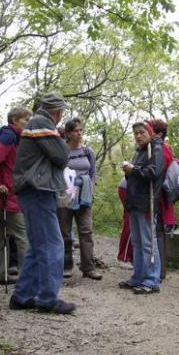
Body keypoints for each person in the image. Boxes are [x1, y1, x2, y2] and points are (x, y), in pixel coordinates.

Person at [9, 93, 74, 314]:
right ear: (57, 111)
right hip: (37, 190)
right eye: (61, 112)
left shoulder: (37, 123)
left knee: (38, 246)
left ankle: (23, 296)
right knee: (53, 244)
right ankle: (47, 298)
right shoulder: (42, 123)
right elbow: (63, 157)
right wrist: (62, 140)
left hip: (33, 190)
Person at [0, 106, 32, 287]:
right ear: (14, 120)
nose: (28, 123)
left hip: (5, 195)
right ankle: (27, 278)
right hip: (8, 195)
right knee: (23, 235)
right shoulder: (9, 136)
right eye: (25, 119)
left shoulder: (16, 138)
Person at [119, 121, 165, 294]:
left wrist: (133, 170)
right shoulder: (140, 151)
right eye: (136, 133)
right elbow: (137, 174)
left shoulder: (157, 150)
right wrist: (129, 170)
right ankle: (138, 276)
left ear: (150, 132)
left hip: (147, 203)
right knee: (137, 242)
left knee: (148, 242)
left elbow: (154, 172)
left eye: (141, 132)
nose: (138, 136)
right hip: (135, 202)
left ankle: (152, 280)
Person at [58, 117, 102, 280]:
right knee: (65, 233)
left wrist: (90, 188)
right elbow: (57, 172)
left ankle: (88, 268)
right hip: (65, 196)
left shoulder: (87, 151)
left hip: (84, 197)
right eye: (76, 131)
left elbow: (93, 174)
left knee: (86, 231)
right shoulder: (62, 151)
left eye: (81, 130)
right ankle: (66, 266)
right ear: (68, 133)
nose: (79, 133)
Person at [150, 118, 174, 280]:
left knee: (157, 232)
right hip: (162, 197)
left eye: (150, 130)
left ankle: (159, 271)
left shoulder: (161, 150)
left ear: (158, 134)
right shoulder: (164, 149)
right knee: (158, 232)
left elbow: (156, 173)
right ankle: (159, 270)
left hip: (158, 197)